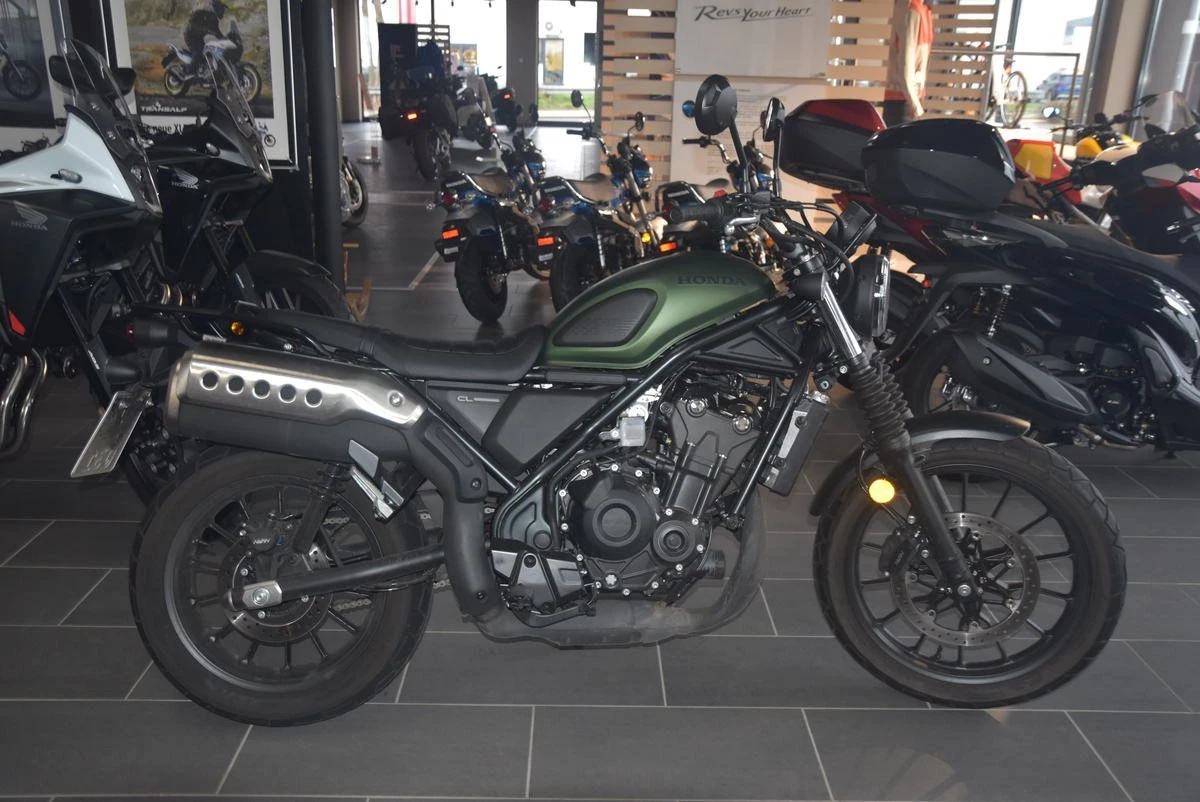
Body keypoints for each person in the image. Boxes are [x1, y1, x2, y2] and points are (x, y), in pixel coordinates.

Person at [883, 0, 933, 127]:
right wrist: (914, 104)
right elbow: (905, 62)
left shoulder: (920, 9)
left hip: (907, 96)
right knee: (900, 138)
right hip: (903, 98)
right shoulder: (911, 10)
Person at [184, 0, 228, 74]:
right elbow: (196, 24)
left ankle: (205, 73)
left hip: (199, 37)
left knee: (208, 54)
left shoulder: (213, 18)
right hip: (191, 36)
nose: (223, 12)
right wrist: (207, 30)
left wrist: (226, 40)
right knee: (198, 53)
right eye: (222, 9)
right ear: (217, 8)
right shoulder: (205, 14)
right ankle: (189, 74)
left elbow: (217, 32)